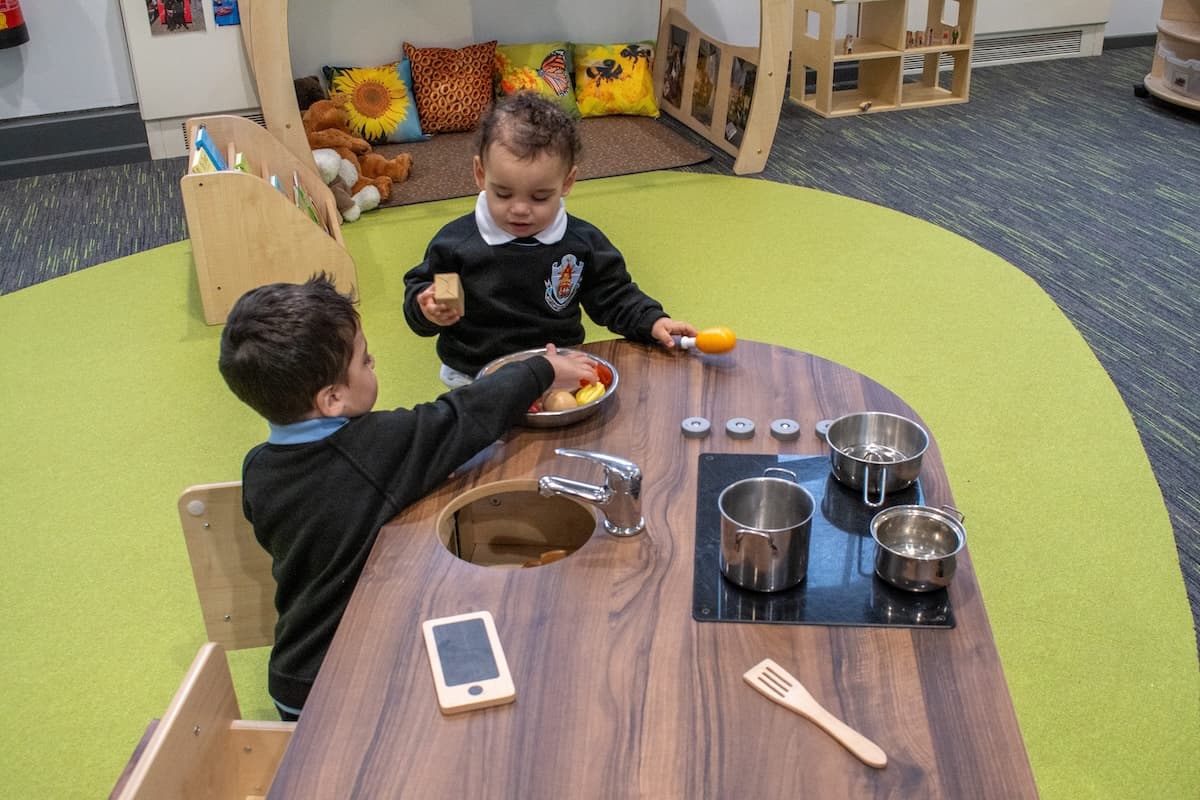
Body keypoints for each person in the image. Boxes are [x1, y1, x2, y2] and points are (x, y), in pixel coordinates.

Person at [217, 274, 597, 719]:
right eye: (365, 361)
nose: (373, 363)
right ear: (332, 397)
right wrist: (544, 370)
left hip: (292, 678)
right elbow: (461, 416)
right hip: (350, 679)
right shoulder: (375, 447)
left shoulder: (258, 466)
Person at [403, 92, 696, 388]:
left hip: (557, 369)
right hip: (476, 375)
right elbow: (430, 296)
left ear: (567, 183)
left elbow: (614, 295)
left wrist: (652, 321)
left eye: (539, 197)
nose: (519, 209)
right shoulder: (455, 244)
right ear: (480, 174)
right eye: (502, 193)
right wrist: (429, 311)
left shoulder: (581, 243)